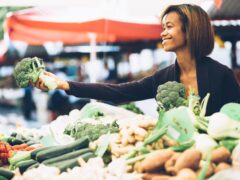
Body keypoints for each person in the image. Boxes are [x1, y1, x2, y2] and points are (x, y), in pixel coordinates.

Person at [34, 4, 240, 116]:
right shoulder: (163, 78)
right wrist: (65, 85)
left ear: (190, 29)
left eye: (169, 26)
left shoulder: (221, 74)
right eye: (163, 27)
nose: (163, 33)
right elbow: (118, 91)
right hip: (175, 159)